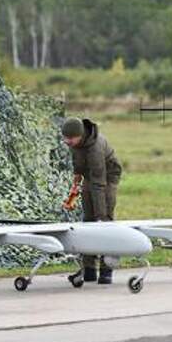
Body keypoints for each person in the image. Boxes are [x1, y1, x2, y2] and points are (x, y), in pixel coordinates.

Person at [61, 117, 122, 284]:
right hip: (90, 176)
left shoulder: (95, 148)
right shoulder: (75, 144)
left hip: (107, 177)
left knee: (104, 221)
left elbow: (99, 184)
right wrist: (75, 186)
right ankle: (88, 269)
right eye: (65, 138)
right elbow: (78, 166)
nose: (67, 141)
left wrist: (101, 215)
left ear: (80, 135)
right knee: (87, 220)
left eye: (70, 138)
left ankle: (106, 269)